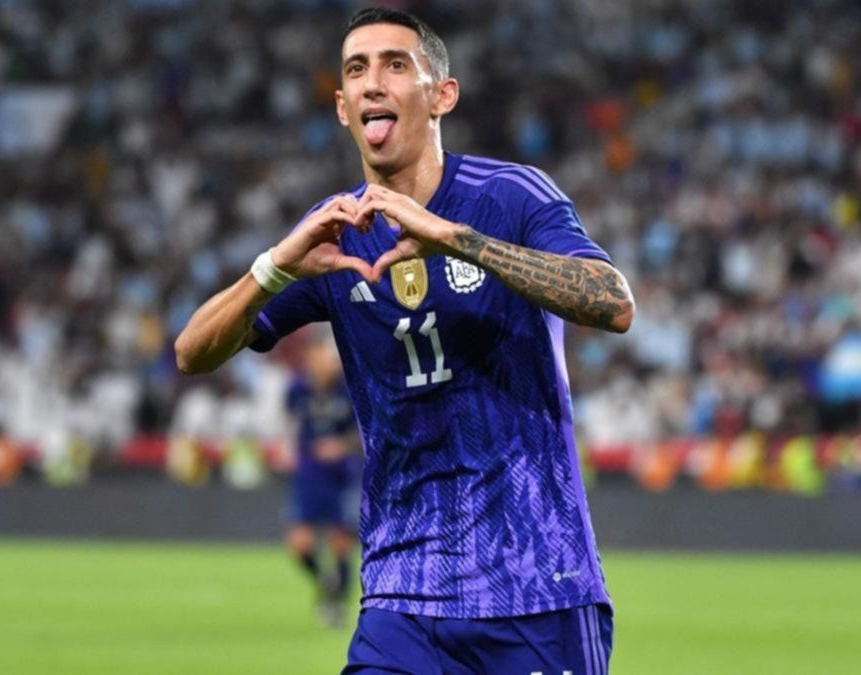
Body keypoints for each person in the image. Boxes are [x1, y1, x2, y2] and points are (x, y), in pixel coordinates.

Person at [175, 7, 635, 674]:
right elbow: (192, 352)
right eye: (356, 69)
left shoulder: (509, 197)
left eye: (395, 64)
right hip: (402, 597)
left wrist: (456, 239)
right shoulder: (336, 231)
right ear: (342, 107)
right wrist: (274, 268)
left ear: (441, 95)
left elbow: (613, 303)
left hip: (538, 586)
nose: (372, 82)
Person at [285, 332, 359, 628]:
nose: (328, 363)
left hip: (341, 474)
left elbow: (365, 430)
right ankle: (325, 580)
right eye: (322, 357)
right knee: (299, 544)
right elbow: (291, 422)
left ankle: (337, 604)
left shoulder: (348, 388)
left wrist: (342, 445)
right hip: (309, 474)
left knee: (340, 542)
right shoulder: (297, 390)